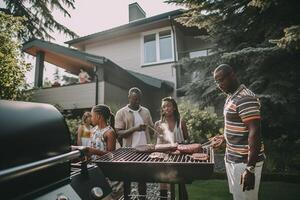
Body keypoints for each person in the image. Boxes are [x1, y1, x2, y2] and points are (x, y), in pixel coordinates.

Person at [211, 64, 265, 200]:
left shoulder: (245, 98)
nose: (219, 85)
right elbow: (239, 126)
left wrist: (250, 169)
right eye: (216, 81)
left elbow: (255, 132)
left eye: (221, 80)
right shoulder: (231, 97)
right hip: (232, 159)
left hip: (244, 162)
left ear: (232, 75)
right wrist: (224, 138)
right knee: (238, 197)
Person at [115, 87, 154, 200]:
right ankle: (127, 198)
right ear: (129, 98)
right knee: (127, 178)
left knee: (142, 178)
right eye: (134, 99)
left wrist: (155, 128)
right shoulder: (121, 112)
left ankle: (142, 198)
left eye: (138, 99)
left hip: (145, 151)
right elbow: (119, 133)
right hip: (129, 151)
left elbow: (151, 130)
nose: (136, 101)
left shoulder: (146, 111)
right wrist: (135, 128)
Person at [154, 96, 188, 200]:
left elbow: (187, 140)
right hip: (164, 159)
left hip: (180, 158)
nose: (166, 108)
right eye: (164, 107)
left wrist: (180, 145)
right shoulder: (158, 124)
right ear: (162, 109)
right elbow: (157, 145)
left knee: (181, 183)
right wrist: (161, 136)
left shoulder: (181, 122)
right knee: (163, 182)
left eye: (169, 106)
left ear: (174, 108)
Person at [89, 104, 123, 199]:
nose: (91, 118)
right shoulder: (92, 130)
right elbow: (90, 145)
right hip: (96, 169)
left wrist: (93, 151)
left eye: (92, 115)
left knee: (109, 195)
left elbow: (111, 155)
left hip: (107, 171)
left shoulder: (109, 132)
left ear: (99, 116)